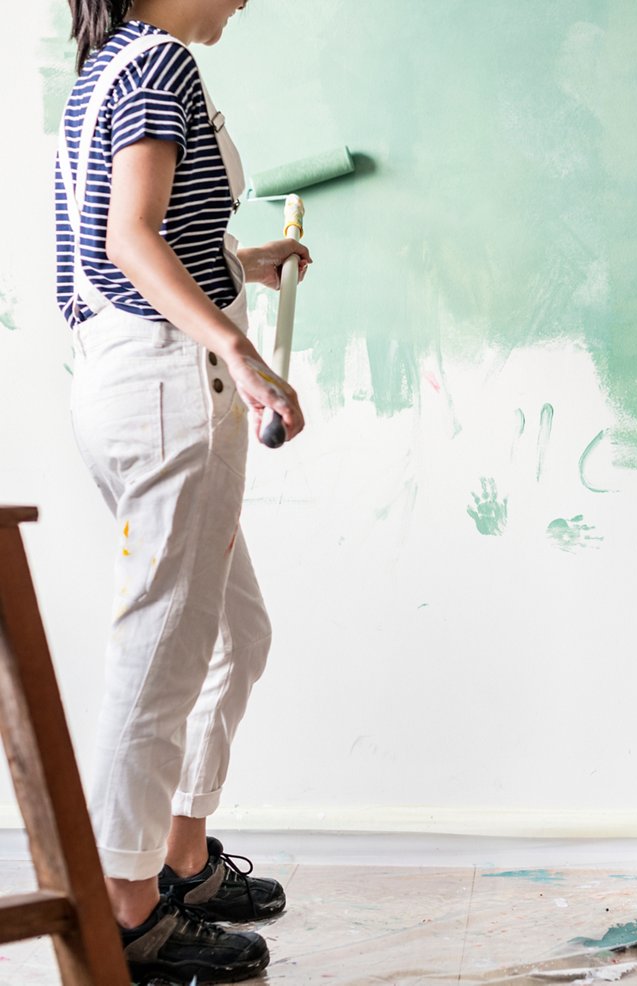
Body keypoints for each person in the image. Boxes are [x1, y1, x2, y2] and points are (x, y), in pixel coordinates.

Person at [57, 0, 310, 979]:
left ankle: (183, 856)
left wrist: (242, 265)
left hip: (122, 380)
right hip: (168, 387)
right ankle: (127, 912)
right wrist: (242, 352)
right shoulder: (158, 64)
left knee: (233, 633)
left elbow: (115, 249)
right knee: (159, 647)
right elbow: (130, 239)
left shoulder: (110, 66)